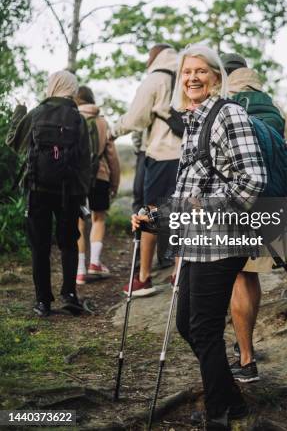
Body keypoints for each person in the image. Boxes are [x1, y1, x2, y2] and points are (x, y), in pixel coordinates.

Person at [133, 45, 267, 430]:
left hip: (222, 239)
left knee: (204, 328)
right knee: (188, 327)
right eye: (187, 72)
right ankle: (231, 402)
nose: (192, 78)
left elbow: (252, 181)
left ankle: (219, 416)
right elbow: (188, 190)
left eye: (201, 71)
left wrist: (204, 209)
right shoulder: (194, 120)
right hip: (197, 241)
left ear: (216, 77)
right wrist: (154, 215)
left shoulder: (229, 115)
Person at [221, 52, 287, 383]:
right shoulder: (275, 108)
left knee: (238, 277)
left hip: (236, 205)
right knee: (252, 276)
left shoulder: (224, 104)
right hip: (273, 203)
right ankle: (244, 344)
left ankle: (246, 358)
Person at [6, 70, 91, 317]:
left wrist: (18, 112)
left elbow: (14, 142)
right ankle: (70, 295)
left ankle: (43, 302)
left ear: (52, 86)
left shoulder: (37, 113)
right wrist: (81, 195)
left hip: (37, 188)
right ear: (72, 89)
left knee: (40, 246)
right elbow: (86, 160)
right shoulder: (77, 118)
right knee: (68, 243)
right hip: (69, 192)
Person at [111, 44, 181, 296]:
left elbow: (135, 119)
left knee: (150, 212)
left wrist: (112, 131)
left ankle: (143, 278)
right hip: (190, 156)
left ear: (153, 57)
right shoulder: (187, 74)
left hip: (162, 154)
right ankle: (178, 274)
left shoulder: (156, 78)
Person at [75, 85, 120, 285]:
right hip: (100, 177)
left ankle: (79, 271)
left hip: (77, 178)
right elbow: (112, 156)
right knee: (98, 218)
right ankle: (94, 263)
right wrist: (115, 183)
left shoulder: (72, 119)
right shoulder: (102, 122)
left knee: (79, 222)